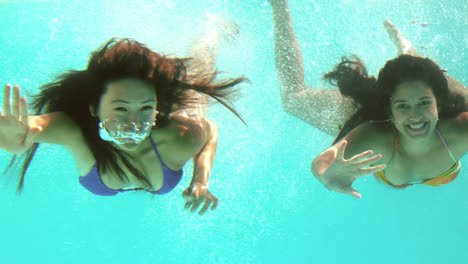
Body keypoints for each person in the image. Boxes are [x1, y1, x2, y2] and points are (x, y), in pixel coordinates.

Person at [0, 17, 246, 215]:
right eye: (120, 109)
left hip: (176, 115)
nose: (134, 123)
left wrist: (201, 180)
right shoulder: (75, 132)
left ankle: (213, 28)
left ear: (156, 107)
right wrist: (13, 139)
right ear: (94, 108)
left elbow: (210, 130)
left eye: (145, 109)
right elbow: (24, 131)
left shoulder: (178, 137)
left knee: (201, 66)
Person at [270, 0, 468, 197]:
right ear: (390, 109)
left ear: (438, 103)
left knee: (439, 82)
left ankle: (409, 53)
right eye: (402, 106)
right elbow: (322, 163)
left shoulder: (460, 129)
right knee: (292, 99)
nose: (415, 116)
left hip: (438, 108)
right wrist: (329, 176)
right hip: (367, 112)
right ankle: (280, 6)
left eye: (425, 103)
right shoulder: (377, 138)